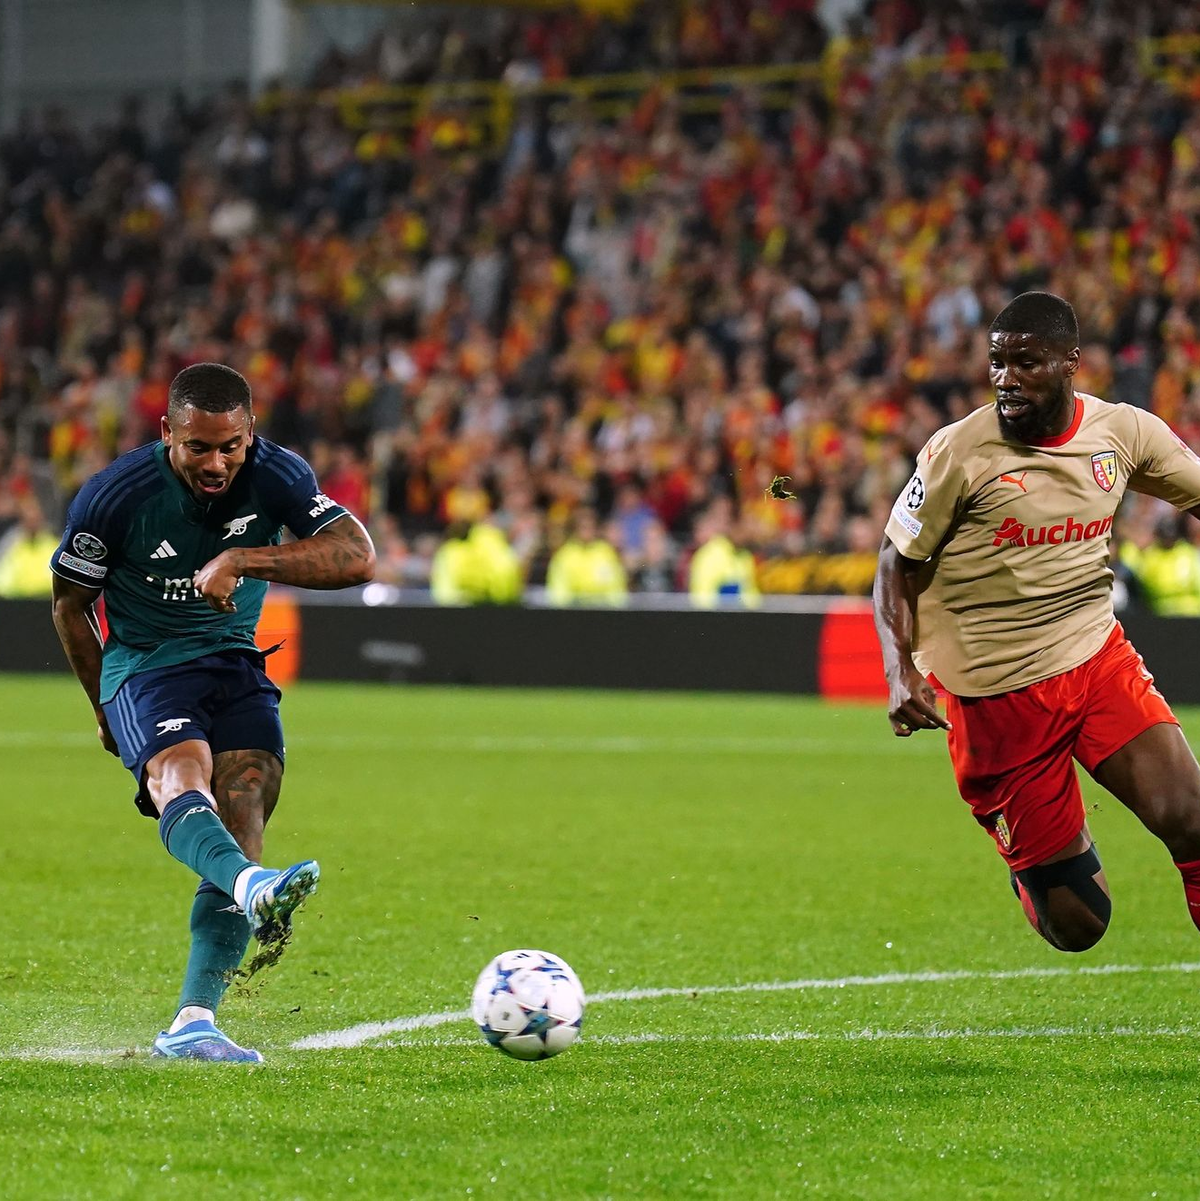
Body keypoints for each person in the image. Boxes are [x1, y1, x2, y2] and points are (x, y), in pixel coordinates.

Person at [50, 362, 375, 1062]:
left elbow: (357, 556)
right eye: (199, 446)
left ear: (249, 432)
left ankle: (194, 1021)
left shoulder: (278, 474)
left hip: (233, 660)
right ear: (168, 431)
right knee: (182, 770)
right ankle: (253, 887)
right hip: (145, 664)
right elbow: (69, 605)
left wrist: (243, 559)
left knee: (247, 801)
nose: (217, 462)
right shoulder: (114, 497)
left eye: (231, 445)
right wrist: (102, 705)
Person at [874, 291, 1200, 955]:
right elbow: (893, 562)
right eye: (998, 363)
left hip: (1095, 658)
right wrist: (898, 669)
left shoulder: (1122, 434)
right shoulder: (959, 452)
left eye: (1026, 362)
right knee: (1080, 923)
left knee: (1192, 818)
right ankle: (1032, 867)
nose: (1007, 378)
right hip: (996, 697)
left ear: (1070, 362)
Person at [1119, 511, 1200, 615]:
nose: (1168, 539)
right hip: (1159, 613)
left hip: (1190, 613)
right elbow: (1134, 568)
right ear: (1158, 535)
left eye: (1171, 535)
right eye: (1165, 535)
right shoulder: (1150, 554)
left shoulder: (1188, 552)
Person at [0, 495, 59, 597]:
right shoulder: (11, 546)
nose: (32, 522)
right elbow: (4, 583)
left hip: (46, 601)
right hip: (18, 602)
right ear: (21, 520)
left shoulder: (55, 547)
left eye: (35, 518)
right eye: (27, 518)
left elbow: (59, 582)